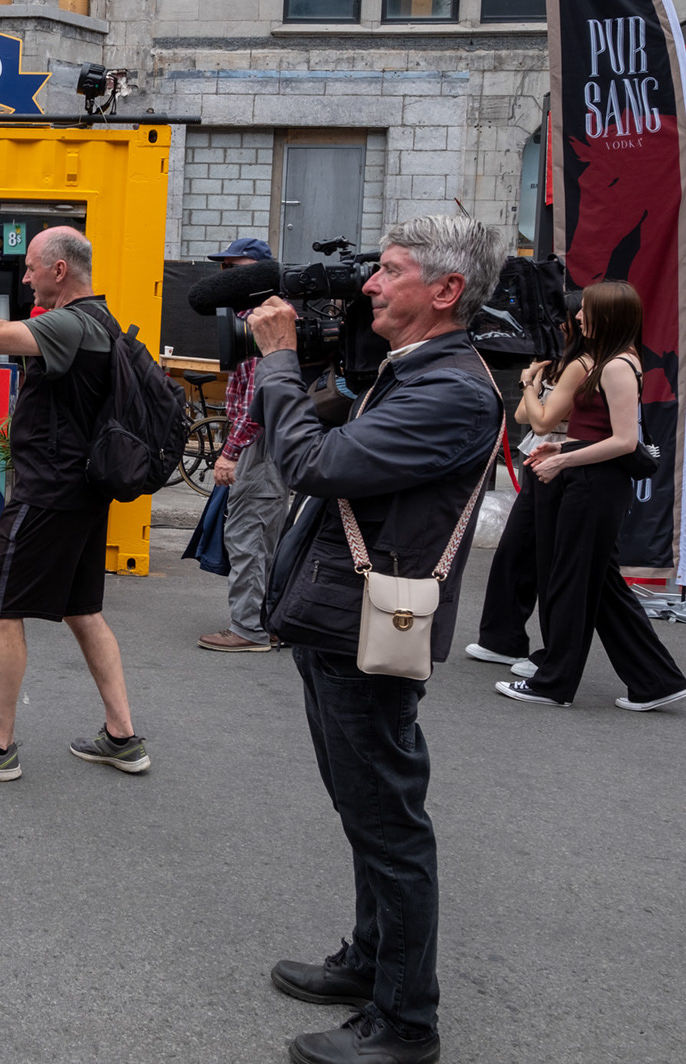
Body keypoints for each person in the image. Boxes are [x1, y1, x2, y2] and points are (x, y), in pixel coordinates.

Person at [248, 214, 505, 1064]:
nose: (369, 284)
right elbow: (338, 448)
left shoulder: (454, 390)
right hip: (340, 622)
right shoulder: (414, 368)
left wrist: (280, 361)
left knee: (390, 825)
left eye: (389, 271)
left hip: (368, 631)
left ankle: (405, 1023)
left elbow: (314, 466)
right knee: (364, 813)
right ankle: (370, 961)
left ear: (445, 290)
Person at [0, 227, 150, 782]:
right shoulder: (98, 320)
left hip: (48, 491)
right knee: (82, 609)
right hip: (81, 490)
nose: (24, 276)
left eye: (30, 267)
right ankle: (122, 736)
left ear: (58, 270)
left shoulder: (70, 323)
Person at [495, 280, 686, 712]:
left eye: (586, 310)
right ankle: (656, 680)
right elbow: (599, 434)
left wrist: (564, 459)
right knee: (601, 587)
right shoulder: (609, 361)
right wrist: (562, 449)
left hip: (596, 485)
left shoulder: (616, 366)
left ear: (608, 316)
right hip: (589, 479)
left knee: (571, 583)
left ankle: (555, 683)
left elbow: (624, 441)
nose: (579, 317)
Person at [465, 297, 582, 672]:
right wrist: (531, 381)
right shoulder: (554, 364)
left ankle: (552, 655)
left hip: (560, 462)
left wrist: (530, 385)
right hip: (537, 460)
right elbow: (522, 415)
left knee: (549, 560)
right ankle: (503, 639)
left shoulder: (580, 366)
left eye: (562, 320)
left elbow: (543, 421)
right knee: (514, 553)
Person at [195, 236, 290, 654]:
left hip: (260, 445)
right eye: (224, 269)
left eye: (235, 269)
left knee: (248, 531)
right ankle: (265, 622)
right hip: (271, 443)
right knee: (263, 532)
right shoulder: (268, 316)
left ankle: (248, 629)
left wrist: (231, 451)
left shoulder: (261, 322)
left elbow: (260, 400)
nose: (226, 277)